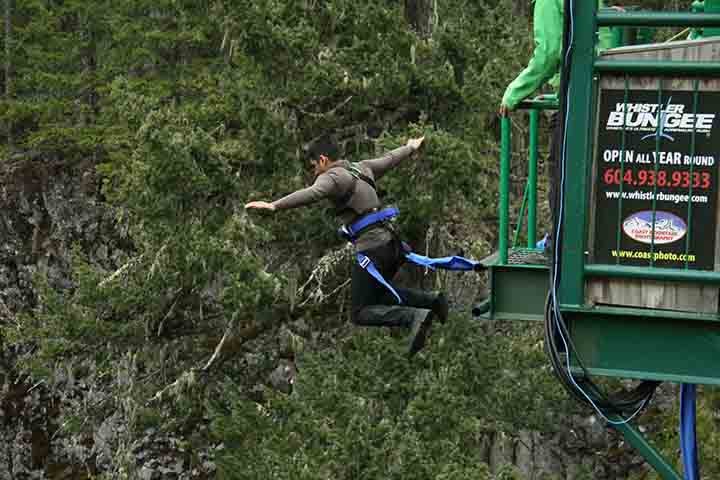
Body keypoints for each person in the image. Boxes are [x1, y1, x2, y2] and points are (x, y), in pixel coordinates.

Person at [245, 136, 453, 357]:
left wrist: (274, 205)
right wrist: (410, 147)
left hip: (373, 249)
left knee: (360, 313)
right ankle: (432, 301)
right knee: (378, 296)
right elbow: (390, 158)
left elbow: (312, 193)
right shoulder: (362, 168)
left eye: (313, 166)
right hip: (392, 245)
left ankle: (413, 316)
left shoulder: (332, 177)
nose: (314, 172)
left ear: (323, 160)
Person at [499, 0, 619, 243]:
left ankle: (562, 245)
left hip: (574, 98)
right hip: (604, 92)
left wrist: (515, 91)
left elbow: (550, 52)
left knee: (562, 172)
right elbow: (599, 42)